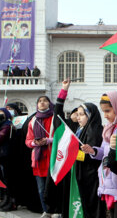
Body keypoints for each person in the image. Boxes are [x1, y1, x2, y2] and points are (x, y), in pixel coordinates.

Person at [81, 91, 117, 218]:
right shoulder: (109, 128)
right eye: (103, 111)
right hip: (106, 180)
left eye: (108, 111)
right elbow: (104, 153)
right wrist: (93, 151)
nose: (105, 115)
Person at [43, 79, 79, 218]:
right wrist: (64, 90)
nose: (77, 115)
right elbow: (57, 111)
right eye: (76, 112)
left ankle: (62, 211)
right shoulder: (65, 126)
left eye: (81, 113)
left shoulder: (85, 129)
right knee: (53, 186)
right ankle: (52, 209)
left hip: (74, 166)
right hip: (60, 162)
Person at [25, 96, 55, 217]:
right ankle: (46, 211)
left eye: (45, 100)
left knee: (53, 188)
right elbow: (28, 140)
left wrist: (48, 140)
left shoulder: (54, 118)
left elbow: (62, 136)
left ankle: (55, 210)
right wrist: (35, 143)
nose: (42, 103)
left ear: (49, 103)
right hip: (38, 159)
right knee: (41, 189)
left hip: (52, 158)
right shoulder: (33, 120)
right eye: (39, 101)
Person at [76, 103, 106, 218]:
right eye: (77, 115)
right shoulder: (83, 129)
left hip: (91, 174)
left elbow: (90, 156)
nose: (78, 118)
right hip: (85, 173)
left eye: (81, 115)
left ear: (90, 115)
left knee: (93, 205)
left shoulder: (93, 129)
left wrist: (74, 154)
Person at [0, 108, 16, 211]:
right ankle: (5, 200)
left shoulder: (7, 125)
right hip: (1, 156)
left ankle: (11, 202)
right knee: (2, 180)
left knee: (7, 180)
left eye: (1, 114)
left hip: (6, 156)